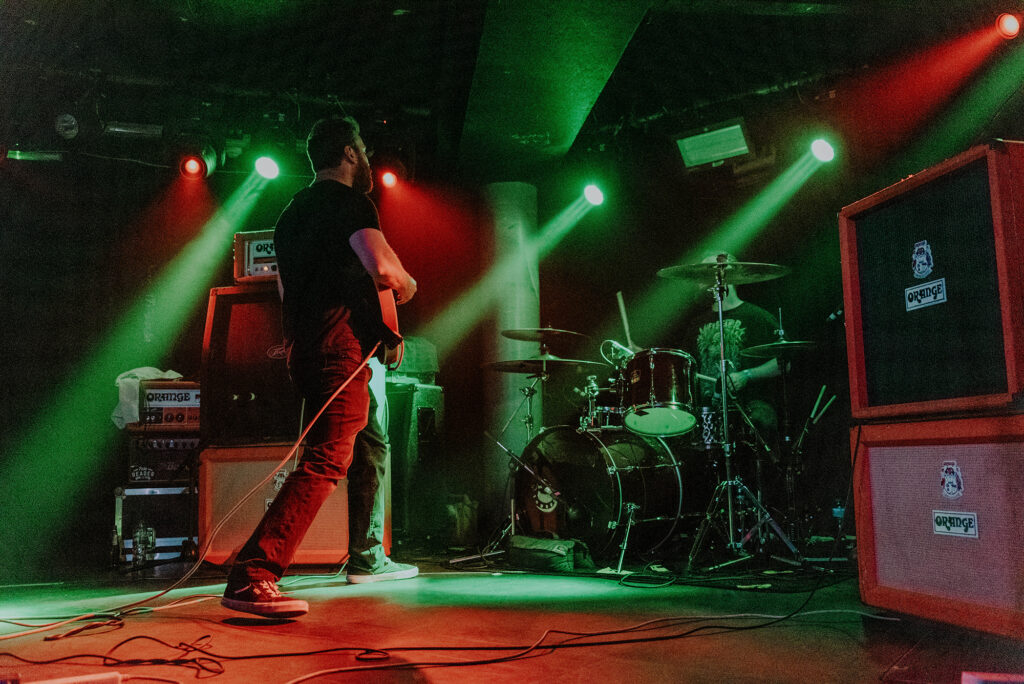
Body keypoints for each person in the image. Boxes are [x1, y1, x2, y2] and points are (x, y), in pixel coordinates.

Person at [222, 117, 419, 619]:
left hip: (309, 347)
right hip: (340, 352)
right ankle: (254, 574)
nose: (368, 158)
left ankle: (368, 556)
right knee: (329, 457)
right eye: (364, 150)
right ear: (351, 153)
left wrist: (383, 335)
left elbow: (291, 291)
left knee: (371, 441)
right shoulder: (351, 202)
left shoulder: (291, 214)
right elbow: (380, 269)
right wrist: (408, 284)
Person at [682, 252, 781, 451]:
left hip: (749, 409)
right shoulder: (695, 325)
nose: (701, 279)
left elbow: (782, 362)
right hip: (709, 413)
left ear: (728, 275)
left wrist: (747, 375)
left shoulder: (758, 318)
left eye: (707, 272)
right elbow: (684, 365)